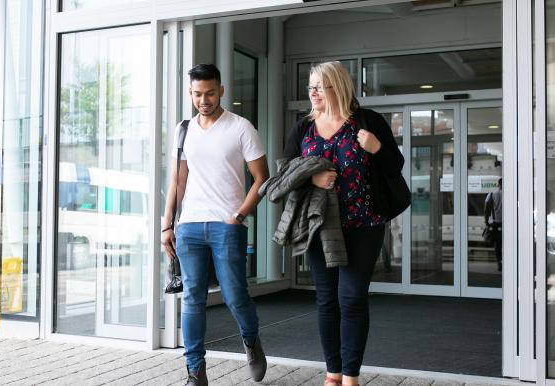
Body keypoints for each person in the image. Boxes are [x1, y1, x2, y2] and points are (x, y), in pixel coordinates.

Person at [282, 61, 404, 386]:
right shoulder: (302, 129)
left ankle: (350, 375)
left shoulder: (368, 122)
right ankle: (332, 373)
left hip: (364, 225)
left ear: (338, 86)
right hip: (319, 228)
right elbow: (285, 175)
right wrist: (312, 178)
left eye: (320, 85)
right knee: (326, 298)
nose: (313, 91)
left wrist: (376, 148)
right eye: (310, 86)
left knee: (351, 297)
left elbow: (395, 165)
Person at [161, 63, 270, 386]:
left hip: (227, 225)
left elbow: (262, 179)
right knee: (192, 297)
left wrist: (238, 216)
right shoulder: (184, 130)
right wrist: (168, 224)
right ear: (190, 93)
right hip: (190, 225)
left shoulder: (240, 128)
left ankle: (251, 341)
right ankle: (195, 370)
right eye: (197, 94)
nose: (203, 100)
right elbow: (178, 179)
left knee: (235, 295)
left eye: (210, 93)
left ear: (221, 90)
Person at [484, 178, 503, 271]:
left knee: (498, 245)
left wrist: (486, 221)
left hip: (495, 223)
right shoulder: (511, 194)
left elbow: (486, 209)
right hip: (507, 224)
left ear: (498, 184)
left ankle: (499, 263)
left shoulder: (491, 194)